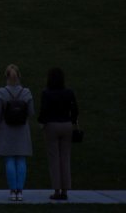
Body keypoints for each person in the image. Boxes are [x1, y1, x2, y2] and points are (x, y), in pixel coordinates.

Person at [0, 64, 34, 201]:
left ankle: (12, 191)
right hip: (22, 130)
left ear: (6, 77)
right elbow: (31, 112)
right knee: (21, 160)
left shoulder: (1, 92)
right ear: (19, 76)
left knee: (9, 160)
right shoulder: (26, 92)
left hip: (6, 130)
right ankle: (20, 191)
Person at [38, 67, 79, 201]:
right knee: (65, 158)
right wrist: (72, 121)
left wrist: (41, 123)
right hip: (67, 125)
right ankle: (65, 191)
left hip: (51, 126)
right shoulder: (69, 92)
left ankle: (56, 191)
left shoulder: (46, 93)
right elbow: (75, 109)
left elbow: (43, 111)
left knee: (54, 159)